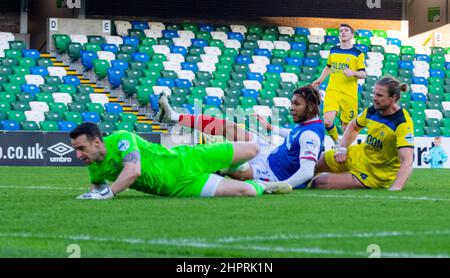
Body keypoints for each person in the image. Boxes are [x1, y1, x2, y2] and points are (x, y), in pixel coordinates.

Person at [157, 86, 325, 189]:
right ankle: (173, 117)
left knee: (224, 164)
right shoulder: (307, 126)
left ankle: (173, 173)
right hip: (268, 153)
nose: (291, 108)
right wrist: (271, 128)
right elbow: (295, 135)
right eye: (292, 103)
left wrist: (284, 185)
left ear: (310, 107)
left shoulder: (310, 134)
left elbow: (307, 171)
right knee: (228, 126)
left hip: (272, 174)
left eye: (296, 104)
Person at [70, 122, 292, 200]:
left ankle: (236, 168)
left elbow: (133, 171)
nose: (79, 155)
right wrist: (94, 194)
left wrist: (106, 194)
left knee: (252, 148)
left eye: (81, 148)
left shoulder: (121, 138)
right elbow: (96, 190)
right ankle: (265, 186)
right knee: (248, 192)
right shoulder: (95, 169)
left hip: (188, 158)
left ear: (98, 142)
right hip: (180, 187)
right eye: (76, 150)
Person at [312, 76, 414, 191]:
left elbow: (407, 160)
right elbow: (353, 126)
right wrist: (342, 148)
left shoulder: (402, 123)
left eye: (379, 95)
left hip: (374, 174)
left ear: (393, 97)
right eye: (374, 94)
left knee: (318, 182)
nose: (374, 98)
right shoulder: (374, 110)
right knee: (313, 163)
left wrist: (396, 187)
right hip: (358, 156)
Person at [312, 23, 366, 144]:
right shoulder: (334, 50)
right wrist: (320, 80)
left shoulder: (357, 53)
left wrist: (353, 72)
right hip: (333, 91)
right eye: (341, 30)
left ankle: (344, 149)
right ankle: (337, 142)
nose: (343, 32)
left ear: (352, 35)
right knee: (327, 121)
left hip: (349, 94)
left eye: (346, 30)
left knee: (348, 129)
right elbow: (328, 67)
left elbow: (363, 74)